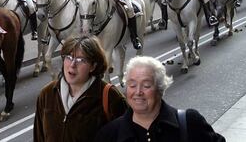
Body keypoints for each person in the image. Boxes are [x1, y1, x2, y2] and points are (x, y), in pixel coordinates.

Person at [94, 56, 226, 142]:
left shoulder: (190, 122)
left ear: (160, 88)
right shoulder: (108, 135)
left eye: (146, 85)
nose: (138, 92)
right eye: (132, 85)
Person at [34, 36, 128, 142]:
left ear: (93, 66)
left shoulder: (110, 97)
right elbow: (39, 137)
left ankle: (134, 36)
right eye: (69, 57)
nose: (72, 65)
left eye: (81, 60)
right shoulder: (47, 94)